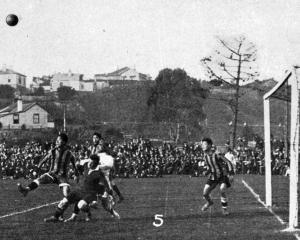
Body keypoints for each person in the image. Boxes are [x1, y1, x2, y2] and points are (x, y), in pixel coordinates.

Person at [44, 154, 119, 222]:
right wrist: (76, 173)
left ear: (95, 164)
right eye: (89, 161)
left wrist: (109, 195)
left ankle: (88, 212)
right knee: (64, 201)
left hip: (90, 194)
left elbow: (106, 186)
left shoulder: (99, 174)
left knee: (81, 205)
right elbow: (78, 165)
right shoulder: (86, 166)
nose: (89, 163)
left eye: (91, 162)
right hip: (80, 190)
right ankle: (55, 217)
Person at [17, 133, 79, 198]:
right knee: (38, 180)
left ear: (64, 142)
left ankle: (77, 200)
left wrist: (77, 175)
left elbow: (74, 165)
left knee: (66, 193)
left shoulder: (69, 154)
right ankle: (26, 190)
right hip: (52, 174)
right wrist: (36, 170)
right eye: (56, 140)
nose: (56, 142)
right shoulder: (52, 151)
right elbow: (43, 160)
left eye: (58, 140)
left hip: (62, 176)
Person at [201, 138, 234, 215]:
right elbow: (210, 167)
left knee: (222, 189)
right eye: (202, 144)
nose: (202, 146)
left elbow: (228, 162)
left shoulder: (217, 154)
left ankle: (224, 209)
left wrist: (231, 174)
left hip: (222, 176)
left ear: (209, 145)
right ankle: (209, 202)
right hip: (213, 176)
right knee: (205, 193)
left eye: (204, 144)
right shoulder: (205, 155)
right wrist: (206, 172)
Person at [87, 132, 124, 203]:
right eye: (93, 138)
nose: (94, 139)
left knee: (107, 182)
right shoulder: (93, 147)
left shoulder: (101, 146)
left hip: (104, 166)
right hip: (99, 167)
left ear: (99, 139)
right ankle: (116, 196)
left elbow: (109, 151)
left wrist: (116, 154)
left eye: (96, 138)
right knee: (108, 182)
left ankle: (111, 197)